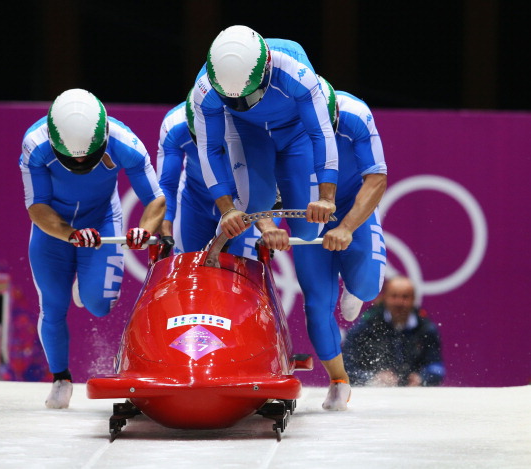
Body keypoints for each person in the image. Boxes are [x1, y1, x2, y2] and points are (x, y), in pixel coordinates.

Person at [19, 88, 166, 409]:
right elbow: (38, 208)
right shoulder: (35, 145)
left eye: (89, 154)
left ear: (103, 138)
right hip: (54, 229)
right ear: (56, 144)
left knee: (99, 304)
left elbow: (155, 199)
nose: (82, 161)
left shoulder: (126, 143)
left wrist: (146, 229)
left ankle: (86, 287)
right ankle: (61, 378)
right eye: (72, 158)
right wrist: (70, 233)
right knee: (53, 305)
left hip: (101, 221)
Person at [259, 76, 388, 411]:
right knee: (317, 305)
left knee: (367, 287)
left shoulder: (355, 114)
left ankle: (357, 287)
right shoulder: (275, 123)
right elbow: (258, 183)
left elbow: (376, 177)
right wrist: (268, 224)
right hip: (305, 217)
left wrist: (346, 227)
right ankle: (339, 381)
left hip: (346, 208)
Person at [192, 25, 339, 248]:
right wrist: (227, 210)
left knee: (308, 230)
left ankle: (276, 190)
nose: (241, 104)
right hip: (247, 130)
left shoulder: (295, 69)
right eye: (232, 99)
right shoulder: (204, 89)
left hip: (294, 132)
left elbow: (321, 132)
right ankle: (218, 254)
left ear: (267, 70)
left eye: (248, 96)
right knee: (250, 206)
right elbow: (209, 149)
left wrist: (327, 198)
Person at [157, 88, 281, 257]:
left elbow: (266, 181)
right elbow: (166, 185)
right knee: (189, 271)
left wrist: (268, 224)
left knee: (243, 275)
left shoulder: (252, 123)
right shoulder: (173, 125)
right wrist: (165, 232)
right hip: (195, 203)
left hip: (245, 205)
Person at [342, 275, 446, 387]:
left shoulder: (426, 328)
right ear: (385, 297)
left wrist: (422, 378)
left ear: (413, 299)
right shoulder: (367, 325)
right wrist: (373, 378)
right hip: (375, 395)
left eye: (405, 297)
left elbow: (437, 367)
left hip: (412, 394)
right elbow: (346, 366)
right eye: (394, 296)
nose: (399, 302)